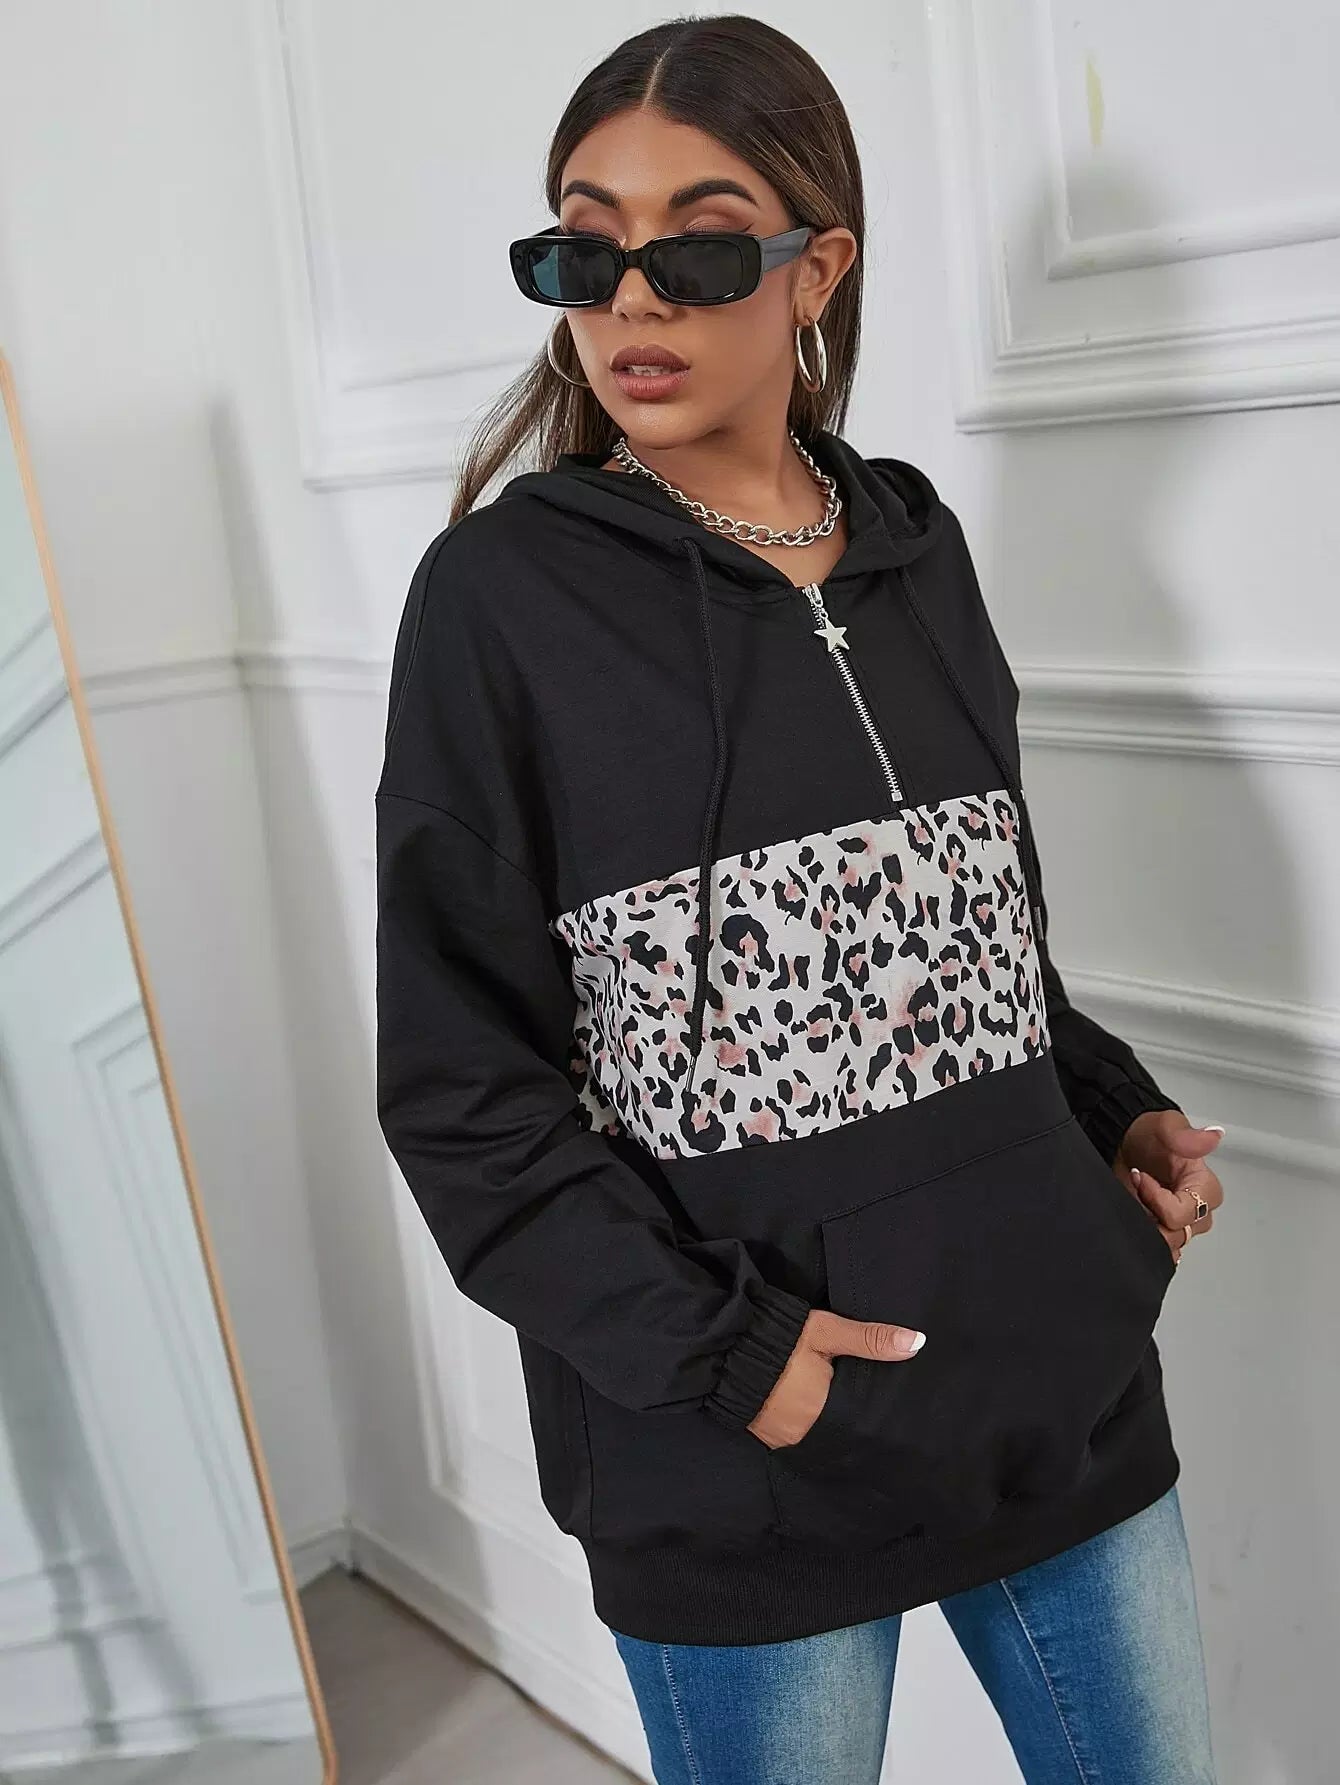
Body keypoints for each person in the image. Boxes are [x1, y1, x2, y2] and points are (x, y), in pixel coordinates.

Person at [374, 15, 1224, 1782]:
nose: (633, 301)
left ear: (814, 268)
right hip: (738, 1453)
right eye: (584, 251)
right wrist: (739, 1360)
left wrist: (1110, 1110)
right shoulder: (498, 601)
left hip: (1052, 1391)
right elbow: (464, 1093)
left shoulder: (919, 547)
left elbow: (976, 943)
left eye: (695, 249)